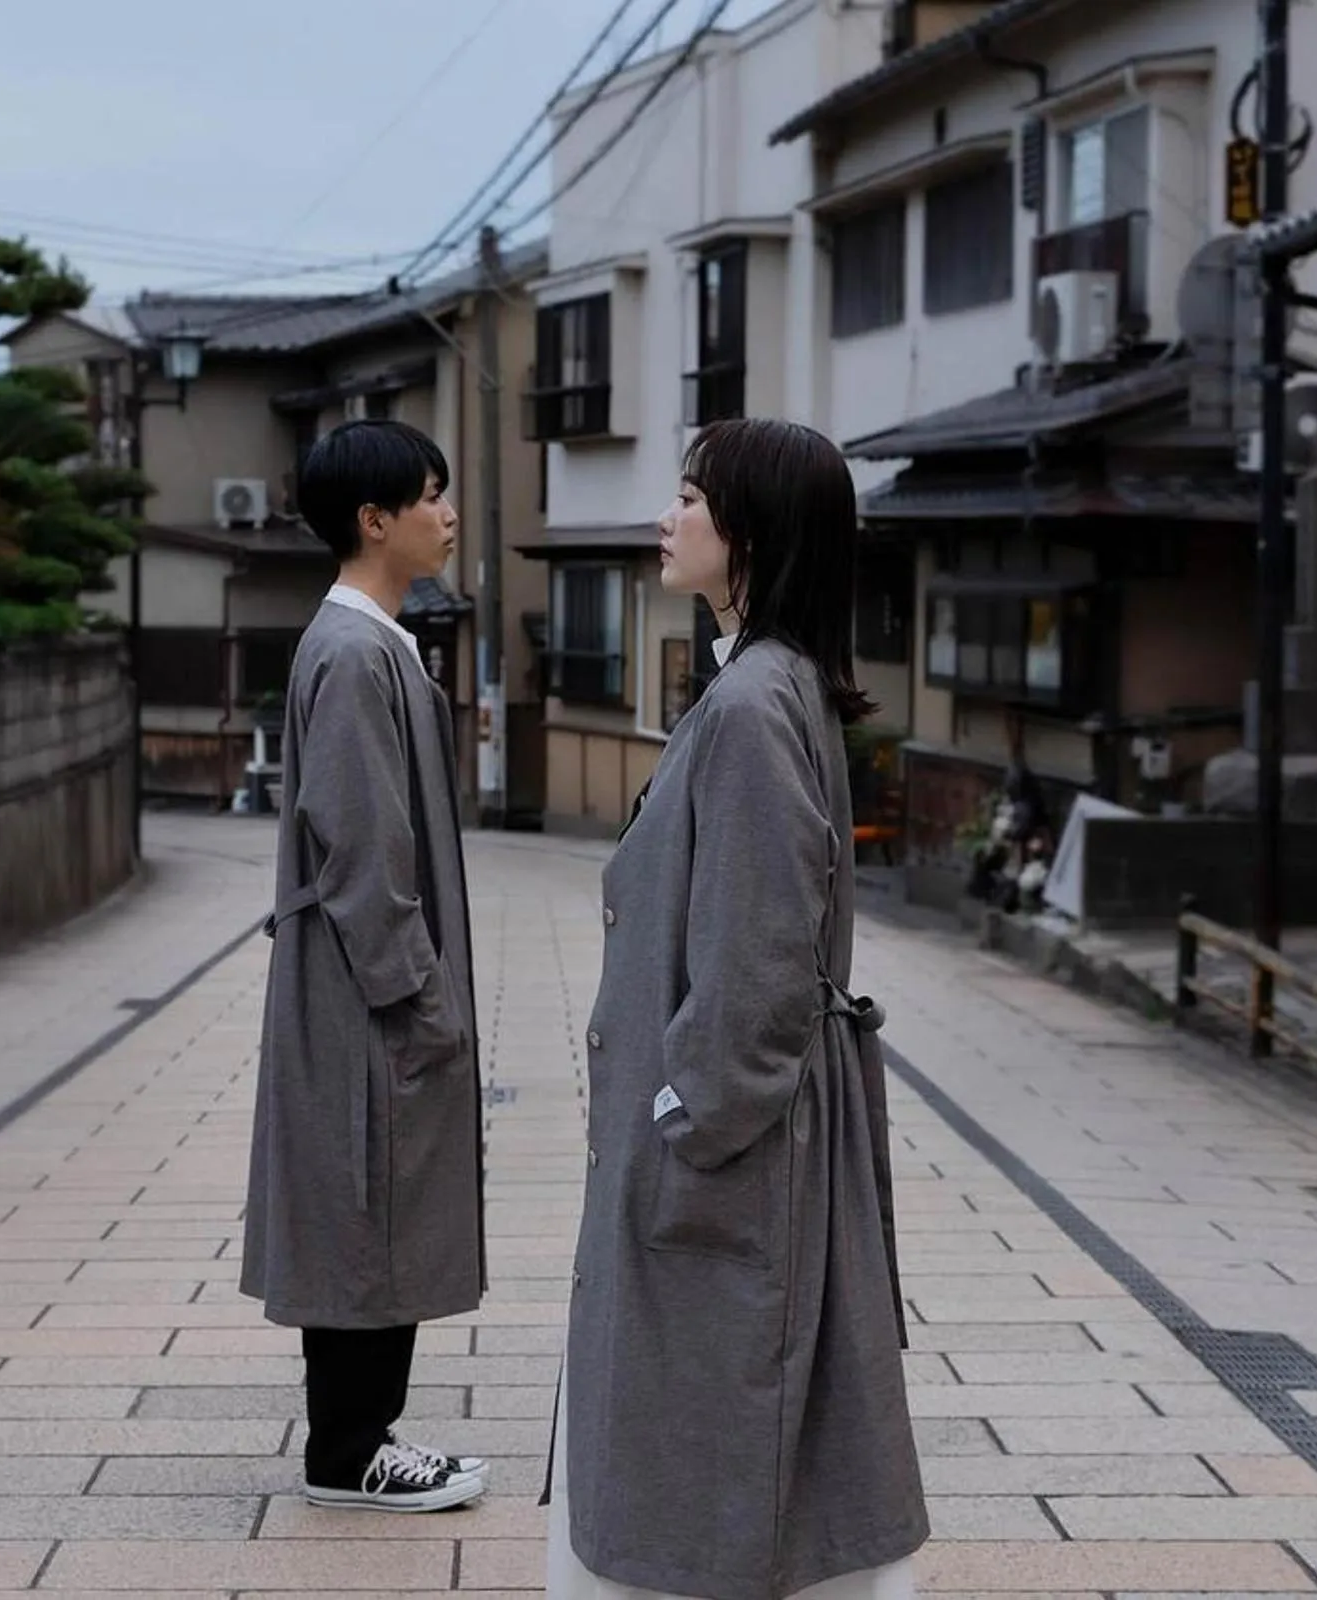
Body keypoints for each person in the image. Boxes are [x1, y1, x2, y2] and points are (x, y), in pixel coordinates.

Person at [550, 418, 927, 1598]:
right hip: (742, 1134)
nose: (669, 519)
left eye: (692, 499)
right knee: (737, 1418)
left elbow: (760, 956)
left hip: (734, 1142)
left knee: (716, 1422)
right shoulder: (769, 685)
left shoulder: (755, 704)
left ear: (751, 534)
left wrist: (688, 1108)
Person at [245, 419, 490, 1513]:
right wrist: (419, 996)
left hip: (362, 986)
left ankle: (361, 1438)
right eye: (431, 495)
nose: (448, 513)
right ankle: (351, 1449)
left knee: (372, 1203)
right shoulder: (352, 650)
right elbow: (361, 845)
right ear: (374, 519)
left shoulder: (370, 640)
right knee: (365, 1204)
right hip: (364, 992)